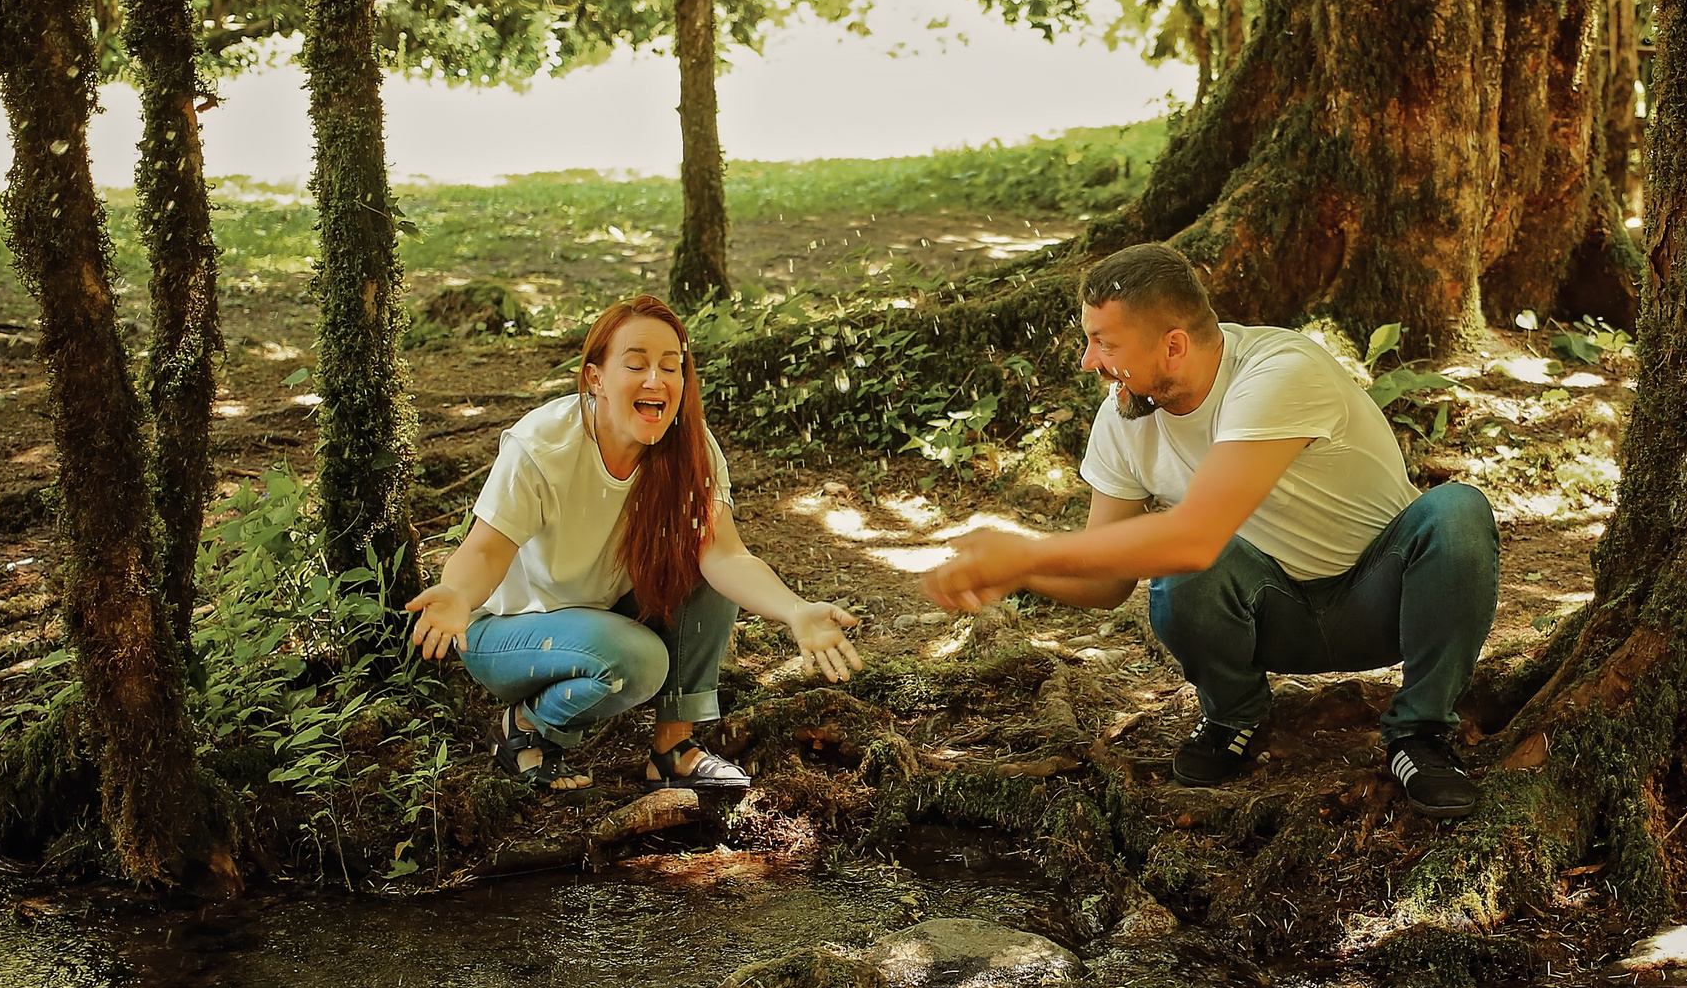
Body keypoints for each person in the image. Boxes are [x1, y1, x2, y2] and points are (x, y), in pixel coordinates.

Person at [918, 245, 1501, 817]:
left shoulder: (1280, 370)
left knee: (1457, 511)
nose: (1088, 361)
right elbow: (1105, 586)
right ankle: (1235, 716)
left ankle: (1420, 733)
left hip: (1387, 602)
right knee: (1180, 571)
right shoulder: (1124, 418)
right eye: (1089, 340)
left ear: (1174, 345)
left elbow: (1194, 535)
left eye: (1105, 343)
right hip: (1269, 616)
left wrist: (1027, 553)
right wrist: (1017, 574)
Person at [405, 295, 862, 791]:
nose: (655, 380)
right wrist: (458, 594)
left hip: (601, 615)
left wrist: (795, 610)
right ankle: (524, 730)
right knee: (640, 661)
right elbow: (485, 550)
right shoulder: (544, 444)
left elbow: (725, 555)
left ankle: (674, 750)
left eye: (670, 366)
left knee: (703, 576)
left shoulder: (691, 447)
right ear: (595, 378)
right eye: (636, 364)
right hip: (507, 632)